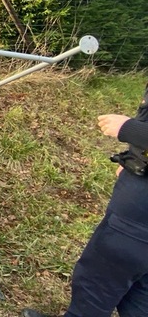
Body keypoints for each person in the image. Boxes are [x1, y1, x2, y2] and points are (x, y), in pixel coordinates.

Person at [23, 82, 148, 317]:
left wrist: (129, 129)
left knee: (99, 282)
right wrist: (135, 159)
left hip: (139, 216)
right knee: (141, 293)